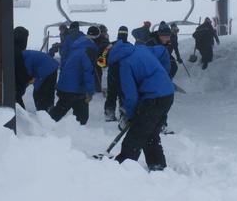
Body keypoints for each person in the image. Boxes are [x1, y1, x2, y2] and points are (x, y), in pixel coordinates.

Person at [106, 40, 175, 171]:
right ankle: (157, 166)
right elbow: (163, 50)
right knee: (150, 134)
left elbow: (130, 96)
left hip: (154, 99)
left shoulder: (123, 65)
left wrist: (131, 115)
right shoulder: (140, 48)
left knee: (134, 137)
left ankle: (122, 168)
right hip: (168, 94)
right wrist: (165, 75)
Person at [48, 26, 99, 125]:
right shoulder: (89, 50)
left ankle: (46, 127)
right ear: (97, 37)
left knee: (74, 114)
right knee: (77, 116)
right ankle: (43, 129)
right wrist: (90, 91)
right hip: (73, 89)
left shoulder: (78, 46)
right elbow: (88, 71)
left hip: (66, 85)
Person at [103, 26, 129, 121]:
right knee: (124, 94)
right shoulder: (130, 46)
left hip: (112, 73)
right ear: (126, 34)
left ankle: (109, 113)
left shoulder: (110, 45)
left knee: (111, 94)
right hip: (125, 73)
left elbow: (102, 60)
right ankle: (124, 115)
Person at [14, 26, 31, 109]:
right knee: (20, 113)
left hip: (9, 88)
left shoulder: (9, 47)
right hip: (13, 91)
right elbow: (21, 73)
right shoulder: (17, 52)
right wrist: (29, 78)